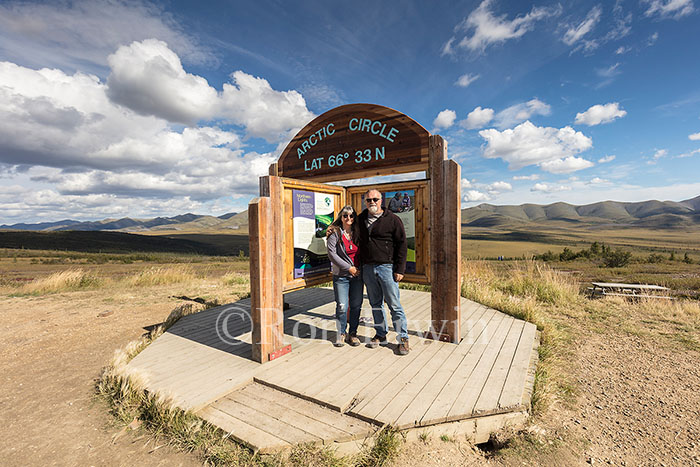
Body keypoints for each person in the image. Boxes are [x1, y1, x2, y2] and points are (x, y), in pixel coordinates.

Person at [357, 189, 410, 355]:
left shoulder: (393, 219)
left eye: (375, 199)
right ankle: (381, 334)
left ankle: (403, 339)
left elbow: (402, 245)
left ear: (381, 201)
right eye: (368, 200)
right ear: (365, 202)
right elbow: (344, 227)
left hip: (387, 268)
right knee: (375, 304)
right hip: (368, 268)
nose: (372, 202)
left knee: (394, 304)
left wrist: (400, 269)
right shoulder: (360, 219)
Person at [326, 205, 363, 347]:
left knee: (356, 305)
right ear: (341, 217)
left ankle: (352, 333)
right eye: (345, 215)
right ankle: (341, 332)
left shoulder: (358, 232)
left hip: (358, 276)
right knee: (342, 305)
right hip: (341, 276)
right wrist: (349, 268)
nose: (348, 218)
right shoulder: (334, 233)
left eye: (351, 216)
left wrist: (357, 269)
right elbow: (332, 254)